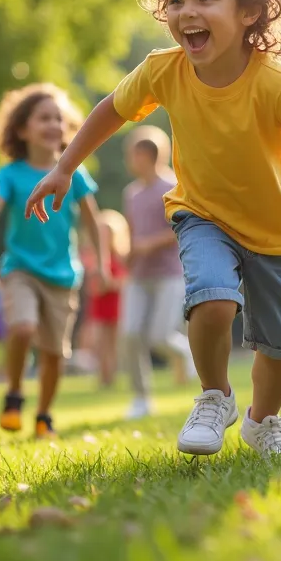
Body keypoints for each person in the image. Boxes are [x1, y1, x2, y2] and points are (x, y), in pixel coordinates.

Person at [24, 0, 281, 458]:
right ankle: (215, 396)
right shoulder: (164, 69)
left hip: (277, 231)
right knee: (212, 298)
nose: (187, 13)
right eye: (175, 1)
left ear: (249, 11)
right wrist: (66, 167)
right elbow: (112, 108)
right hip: (201, 214)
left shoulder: (275, 83)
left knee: (277, 347)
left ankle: (263, 422)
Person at [0, 83, 107, 439]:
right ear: (22, 129)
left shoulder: (73, 171)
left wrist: (103, 265)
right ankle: (15, 393)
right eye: (43, 118)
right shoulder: (10, 175)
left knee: (54, 354)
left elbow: (92, 220)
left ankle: (44, 415)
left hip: (63, 275)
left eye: (59, 120)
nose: (54, 125)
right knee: (21, 327)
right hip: (20, 268)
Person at [118, 127, 196, 420]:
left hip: (169, 273)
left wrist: (150, 243)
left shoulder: (172, 187)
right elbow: (131, 231)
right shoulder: (131, 193)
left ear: (148, 155)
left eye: (133, 154)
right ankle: (141, 398)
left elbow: (182, 228)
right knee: (130, 335)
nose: (130, 160)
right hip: (138, 274)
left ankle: (185, 353)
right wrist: (127, 252)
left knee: (160, 336)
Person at [79, 209, 129, 387]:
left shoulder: (120, 257)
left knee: (112, 342)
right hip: (99, 304)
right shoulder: (93, 258)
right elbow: (90, 286)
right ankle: (103, 376)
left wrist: (110, 283)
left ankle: (111, 377)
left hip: (115, 303)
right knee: (99, 342)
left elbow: (124, 281)